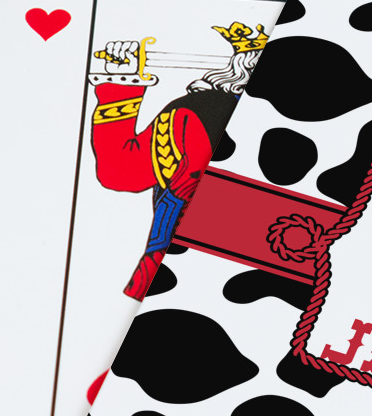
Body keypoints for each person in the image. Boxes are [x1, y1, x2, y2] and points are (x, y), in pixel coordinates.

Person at [88, 22, 268, 302]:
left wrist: (122, 81)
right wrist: (122, 82)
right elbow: (120, 172)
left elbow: (119, 171)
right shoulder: (198, 114)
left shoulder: (195, 113)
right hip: (182, 279)